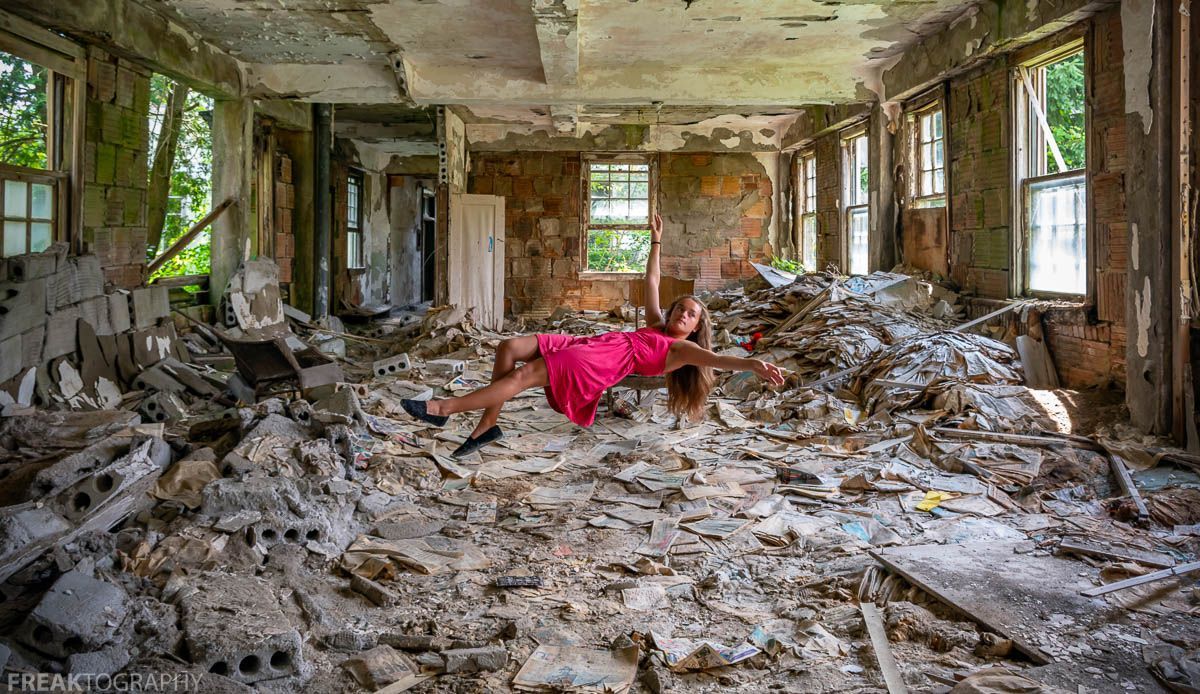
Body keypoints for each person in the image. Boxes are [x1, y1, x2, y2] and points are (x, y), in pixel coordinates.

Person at [402, 212, 786, 458]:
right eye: (681, 308)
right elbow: (652, 281)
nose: (684, 314)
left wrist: (753, 362)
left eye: (692, 315)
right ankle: (487, 425)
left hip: (602, 362)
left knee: (523, 376)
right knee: (509, 347)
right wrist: (655, 240)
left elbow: (718, 360)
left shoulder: (681, 350)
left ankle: (443, 409)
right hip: (591, 344)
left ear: (696, 328)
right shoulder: (656, 323)